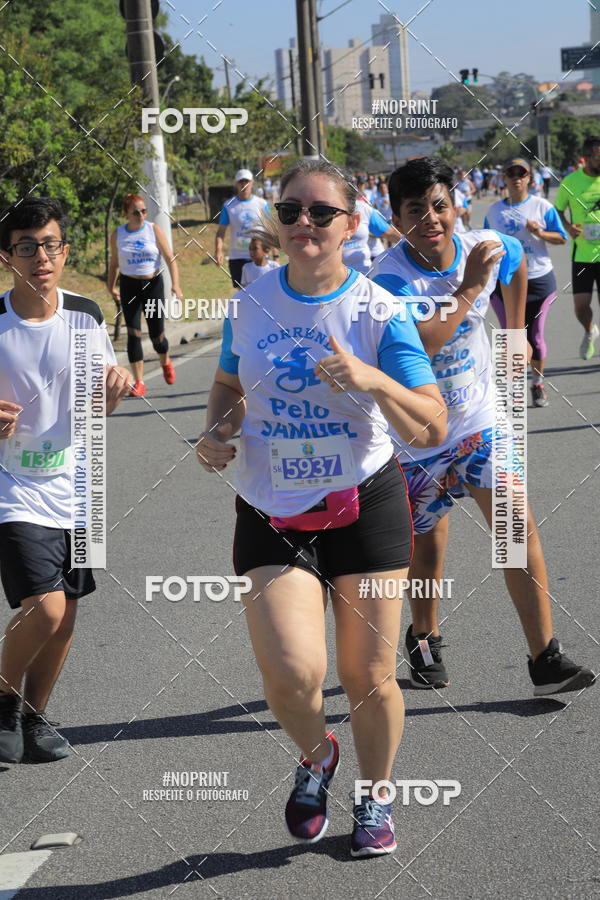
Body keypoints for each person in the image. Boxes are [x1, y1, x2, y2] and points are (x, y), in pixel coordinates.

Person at [197, 158, 447, 857]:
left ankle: (375, 795)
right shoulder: (249, 304)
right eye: (290, 211)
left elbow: (429, 422)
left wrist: (371, 377)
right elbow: (226, 385)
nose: (303, 224)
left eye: (320, 213)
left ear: (351, 223)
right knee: (290, 672)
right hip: (271, 509)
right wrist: (216, 432)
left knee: (367, 676)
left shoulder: (378, 311)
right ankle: (316, 756)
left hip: (363, 504)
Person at [371, 157, 595, 696]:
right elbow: (417, 345)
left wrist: (514, 330)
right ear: (396, 219)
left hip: (480, 419)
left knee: (515, 531)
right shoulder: (384, 280)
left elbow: (515, 262)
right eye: (414, 209)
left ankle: (545, 658)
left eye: (440, 205)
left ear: (457, 205)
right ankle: (424, 636)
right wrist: (471, 291)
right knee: (425, 547)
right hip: (417, 436)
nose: (431, 218)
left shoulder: (484, 246)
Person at [0, 197, 130, 764]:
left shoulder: (85, 314)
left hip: (81, 482)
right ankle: (2, 702)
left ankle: (34, 716)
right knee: (45, 608)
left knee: (67, 611)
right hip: (14, 485)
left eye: (50, 245)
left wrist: (114, 387)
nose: (40, 256)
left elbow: (99, 396)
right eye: (26, 247)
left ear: (64, 251)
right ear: (8, 257)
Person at [484, 158, 567, 407]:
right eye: (511, 173)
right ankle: (513, 389)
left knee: (536, 335)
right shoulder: (494, 211)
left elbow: (561, 238)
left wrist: (540, 233)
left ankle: (537, 384)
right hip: (504, 282)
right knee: (511, 337)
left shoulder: (542, 206)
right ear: (504, 178)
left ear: (530, 178)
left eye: (522, 173)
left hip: (539, 280)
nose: (516, 177)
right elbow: (486, 242)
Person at [108, 193, 182, 398]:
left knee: (157, 335)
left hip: (153, 284)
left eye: (143, 211)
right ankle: (139, 382)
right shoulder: (118, 234)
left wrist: (175, 285)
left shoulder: (153, 229)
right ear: (125, 214)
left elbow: (170, 258)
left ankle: (165, 360)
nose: (140, 215)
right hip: (129, 285)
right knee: (133, 334)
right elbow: (114, 263)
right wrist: (110, 286)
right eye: (135, 212)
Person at [555, 136, 600, 359]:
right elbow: (558, 210)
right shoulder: (571, 182)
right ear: (587, 157)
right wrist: (568, 228)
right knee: (581, 306)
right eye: (596, 155)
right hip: (582, 254)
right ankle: (590, 330)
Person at [215, 169, 269, 288]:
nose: (244, 185)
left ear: (252, 183)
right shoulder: (228, 206)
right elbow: (221, 232)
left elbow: (269, 230)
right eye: (241, 182)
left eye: (247, 181)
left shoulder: (261, 204)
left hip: (259, 254)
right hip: (237, 256)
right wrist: (219, 250)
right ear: (236, 184)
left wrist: (275, 254)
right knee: (243, 293)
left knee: (263, 290)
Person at [343, 187, 398, 275]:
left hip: (364, 274)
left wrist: (416, 249)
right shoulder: (317, 211)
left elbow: (391, 234)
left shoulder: (363, 208)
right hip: (329, 280)